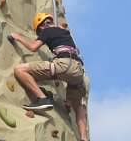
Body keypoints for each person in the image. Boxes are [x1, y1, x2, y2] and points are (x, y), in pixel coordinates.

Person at [10, 13, 88, 141]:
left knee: (19, 70)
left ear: (40, 27)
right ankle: (84, 138)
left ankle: (42, 98)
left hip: (64, 65)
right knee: (78, 105)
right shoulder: (65, 33)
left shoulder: (46, 31)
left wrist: (17, 37)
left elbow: (33, 47)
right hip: (78, 72)